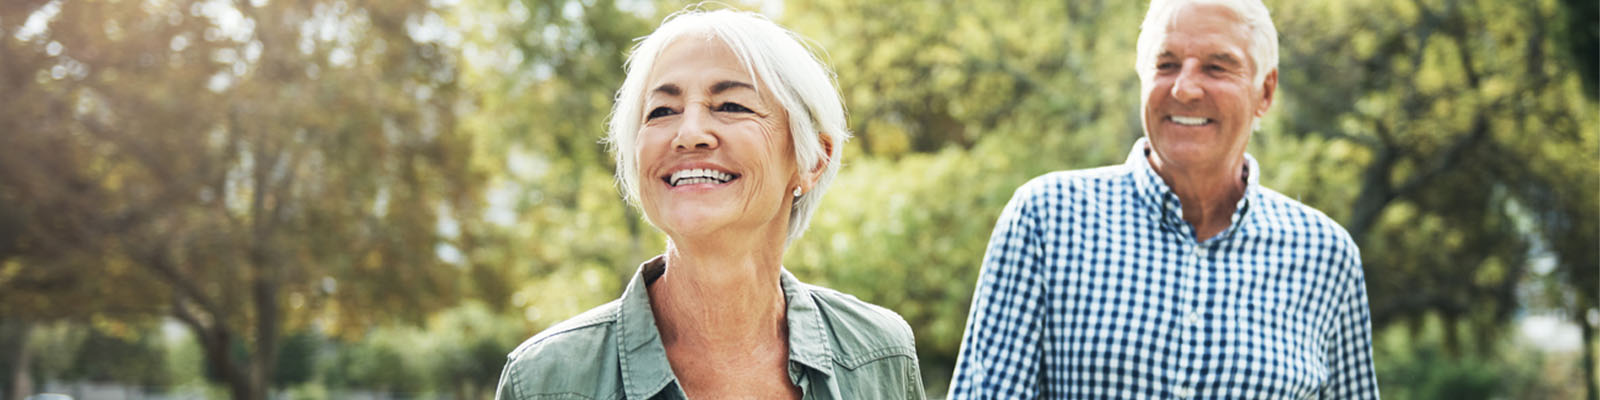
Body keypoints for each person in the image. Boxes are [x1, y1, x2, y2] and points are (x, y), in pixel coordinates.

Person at [947, 0, 1378, 398]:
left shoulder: (1326, 256)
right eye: (1167, 64)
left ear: (1264, 92)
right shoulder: (1046, 218)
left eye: (1216, 67)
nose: (1185, 89)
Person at [494, 8, 926, 400]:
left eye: (731, 105)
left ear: (812, 159)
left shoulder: (881, 354)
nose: (690, 132)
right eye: (662, 111)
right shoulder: (544, 381)